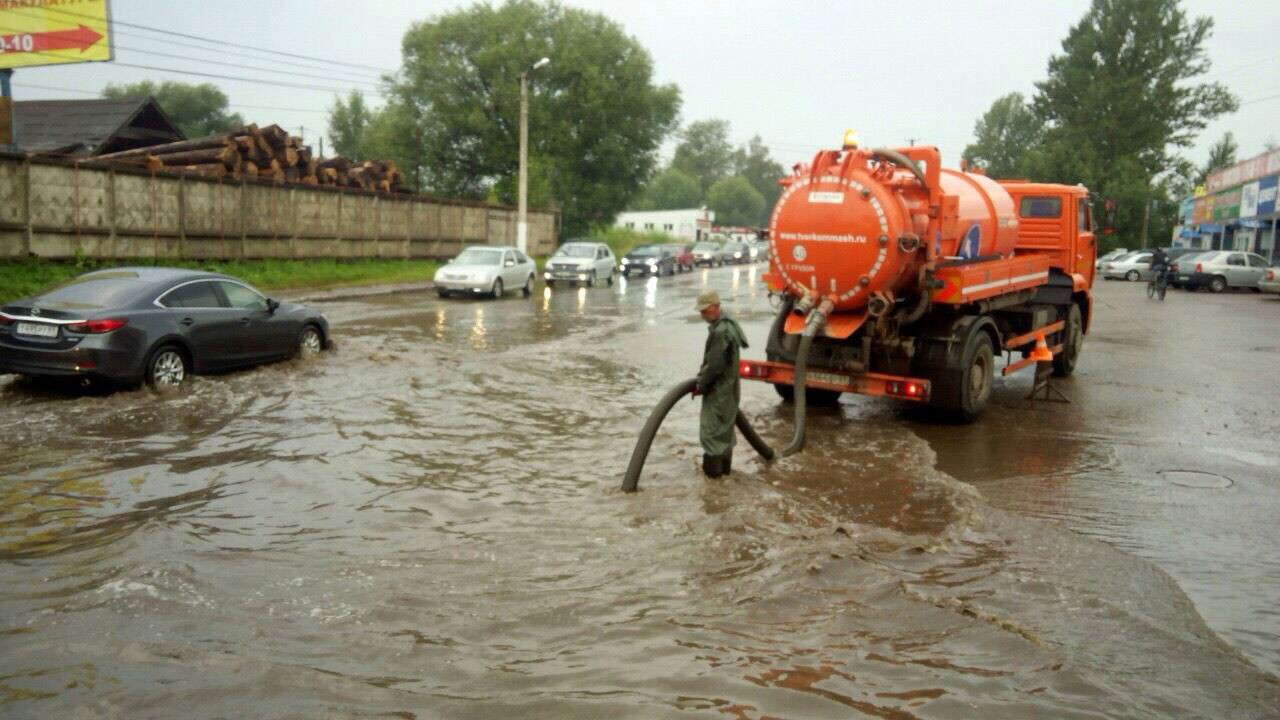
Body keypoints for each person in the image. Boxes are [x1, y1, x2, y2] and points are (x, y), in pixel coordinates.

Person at [693, 290, 749, 478]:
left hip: (719, 392)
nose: (701, 315)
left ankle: (714, 483)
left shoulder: (720, 332)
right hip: (730, 390)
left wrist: (700, 385)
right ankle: (725, 479)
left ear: (716, 307)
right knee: (724, 431)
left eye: (704, 311)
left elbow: (713, 367)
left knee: (711, 435)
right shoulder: (729, 324)